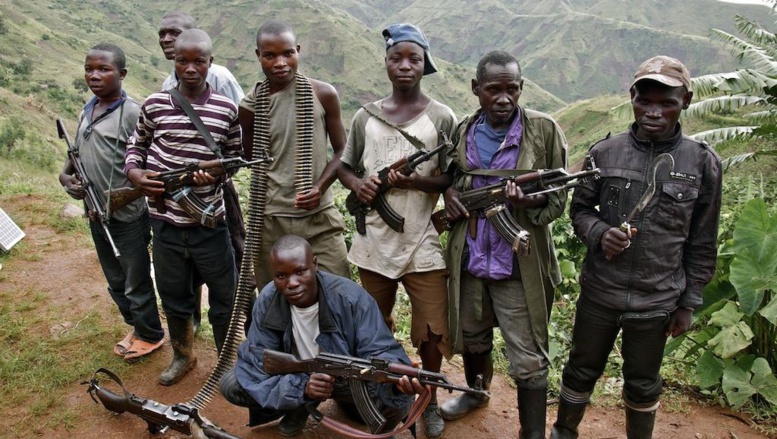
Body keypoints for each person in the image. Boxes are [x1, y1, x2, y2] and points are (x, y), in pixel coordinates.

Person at [550, 56, 722, 439]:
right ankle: (564, 432)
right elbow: (579, 210)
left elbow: (703, 239)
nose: (654, 112)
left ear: (686, 101)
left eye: (667, 103)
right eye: (645, 101)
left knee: (643, 381)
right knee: (580, 369)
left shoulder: (701, 162)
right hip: (600, 293)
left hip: (657, 299)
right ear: (632, 97)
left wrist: (688, 302)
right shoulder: (605, 152)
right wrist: (599, 232)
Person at [440, 51, 568, 439]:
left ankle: (531, 432)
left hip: (518, 261)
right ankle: (477, 393)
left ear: (521, 88)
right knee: (473, 335)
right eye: (493, 89)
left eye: (511, 89)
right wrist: (451, 196)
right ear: (476, 89)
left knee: (528, 354)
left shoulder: (543, 130)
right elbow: (451, 179)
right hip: (471, 255)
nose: (503, 98)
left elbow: (560, 198)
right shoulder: (462, 130)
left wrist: (530, 203)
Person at [338, 23, 455, 439]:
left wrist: (411, 182)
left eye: (414, 59)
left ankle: (431, 399)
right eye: (396, 58)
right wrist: (361, 185)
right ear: (385, 63)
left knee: (431, 331)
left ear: (425, 66)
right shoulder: (364, 116)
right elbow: (346, 167)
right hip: (372, 243)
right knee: (373, 326)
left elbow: (450, 180)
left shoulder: (442, 116)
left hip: (422, 240)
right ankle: (386, 396)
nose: (405, 66)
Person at [219, 235, 425, 436]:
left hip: (349, 379)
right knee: (232, 385)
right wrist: (303, 388)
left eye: (300, 272)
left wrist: (397, 376)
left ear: (315, 264)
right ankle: (299, 407)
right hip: (297, 376)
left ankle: (363, 419)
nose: (292, 283)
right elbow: (257, 359)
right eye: (281, 276)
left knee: (397, 398)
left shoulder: (351, 299)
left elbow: (380, 347)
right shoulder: (268, 299)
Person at [125, 29, 239, 386]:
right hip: (165, 224)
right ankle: (183, 356)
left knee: (225, 296)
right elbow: (136, 145)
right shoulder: (155, 104)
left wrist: (213, 179)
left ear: (211, 63)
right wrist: (136, 175)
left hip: (209, 225)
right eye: (182, 61)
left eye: (198, 62)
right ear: (173, 62)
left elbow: (233, 160)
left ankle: (226, 362)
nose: (190, 69)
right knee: (174, 295)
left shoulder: (227, 108)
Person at [59, 43, 166, 362]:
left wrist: (129, 193)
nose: (94, 75)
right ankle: (136, 326)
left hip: (128, 216)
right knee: (115, 279)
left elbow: (151, 162)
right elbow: (75, 153)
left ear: (122, 74)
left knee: (135, 279)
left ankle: (151, 334)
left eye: (103, 69)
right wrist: (66, 179)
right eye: (89, 69)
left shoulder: (133, 113)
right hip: (95, 212)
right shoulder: (87, 108)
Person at [238, 20, 350, 290]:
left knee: (339, 289)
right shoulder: (250, 105)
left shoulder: (323, 93)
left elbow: (343, 150)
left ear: (298, 50)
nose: (280, 63)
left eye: (288, 53)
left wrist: (319, 187)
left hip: (318, 215)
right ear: (258, 56)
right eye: (270, 55)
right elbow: (250, 157)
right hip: (270, 218)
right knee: (275, 295)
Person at [157, 11, 247, 334]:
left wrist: (219, 174)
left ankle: (241, 328)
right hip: (172, 207)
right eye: (163, 34)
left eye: (175, 32)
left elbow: (236, 125)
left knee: (234, 254)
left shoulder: (218, 77)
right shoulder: (166, 87)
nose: (167, 39)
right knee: (181, 272)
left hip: (215, 194)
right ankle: (188, 331)